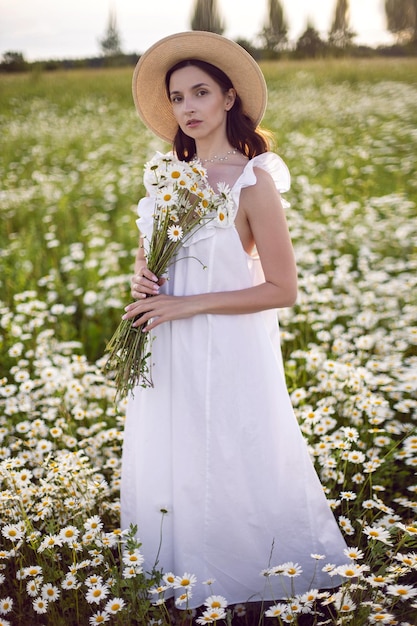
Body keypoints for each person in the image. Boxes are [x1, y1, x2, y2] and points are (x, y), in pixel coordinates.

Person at [121, 31, 347, 609]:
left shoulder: (254, 180)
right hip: (166, 343)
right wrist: (143, 280)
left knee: (230, 449)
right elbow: (153, 256)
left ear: (228, 98)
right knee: (175, 450)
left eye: (201, 92)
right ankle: (181, 576)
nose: (188, 108)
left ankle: (252, 575)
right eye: (177, 98)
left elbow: (283, 288)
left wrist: (186, 305)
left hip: (228, 342)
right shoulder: (165, 176)